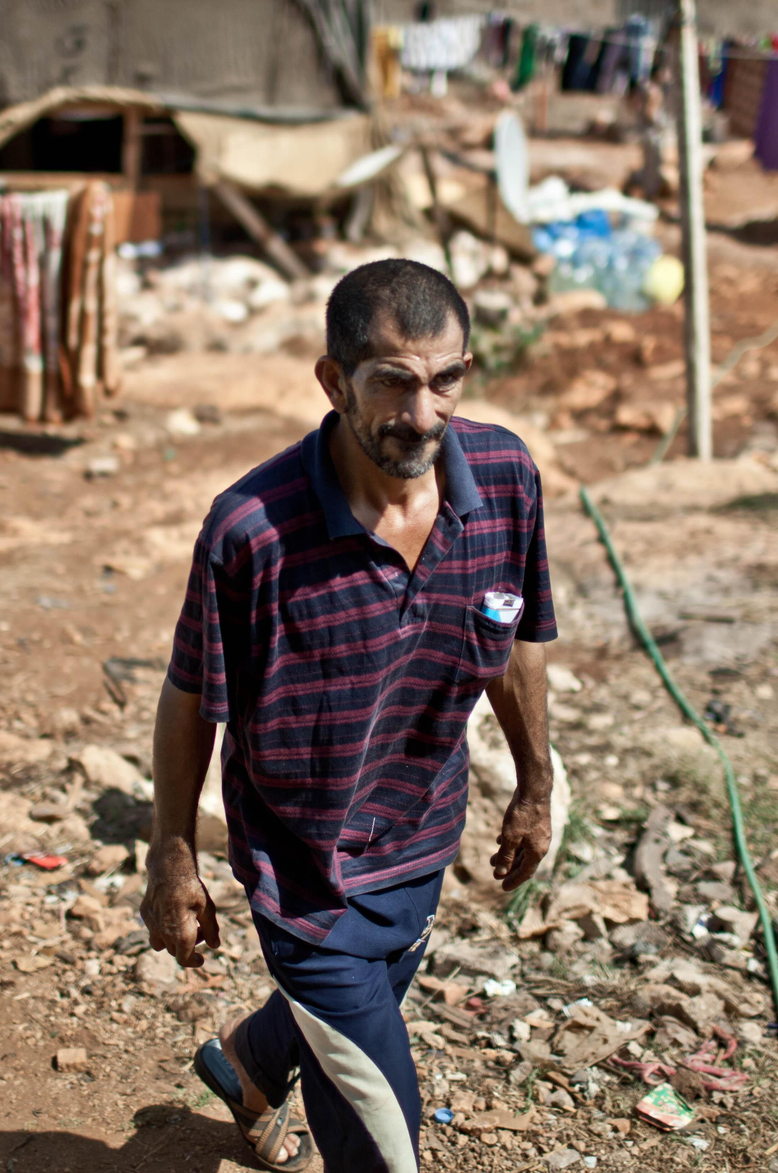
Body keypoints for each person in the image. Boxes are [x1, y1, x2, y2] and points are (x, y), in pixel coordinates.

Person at [141, 258, 557, 1172]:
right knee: (382, 1137)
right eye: (393, 385)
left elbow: (515, 632)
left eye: (446, 380)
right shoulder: (252, 531)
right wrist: (170, 850)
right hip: (302, 871)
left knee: (357, 1005)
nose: (423, 415)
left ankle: (248, 1064)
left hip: (420, 837)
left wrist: (535, 781)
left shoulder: (505, 480)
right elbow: (188, 693)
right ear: (334, 381)